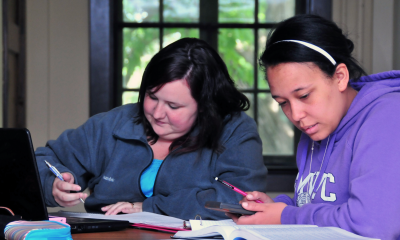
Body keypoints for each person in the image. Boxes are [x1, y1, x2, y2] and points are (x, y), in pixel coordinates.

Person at [35, 38, 268, 220]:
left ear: (206, 107)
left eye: (173, 106)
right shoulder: (112, 123)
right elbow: (45, 159)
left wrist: (149, 208)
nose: (157, 113)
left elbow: (241, 199)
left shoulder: (235, 130)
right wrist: (53, 185)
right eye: (152, 96)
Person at [229, 14, 400, 240]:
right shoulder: (316, 128)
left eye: (304, 95)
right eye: (283, 103)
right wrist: (274, 208)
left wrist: (285, 216)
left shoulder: (388, 116)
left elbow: (374, 224)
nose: (296, 115)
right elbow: (315, 205)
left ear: (340, 76)